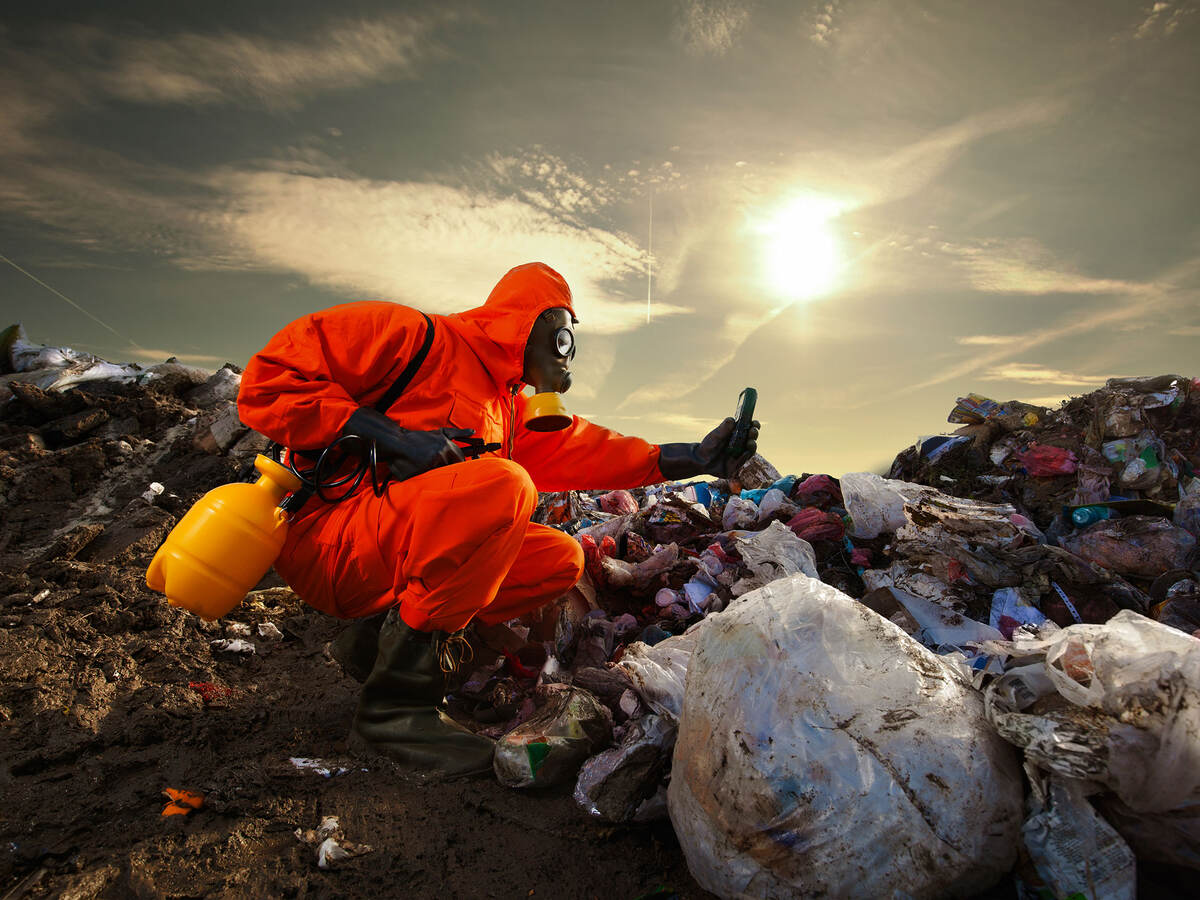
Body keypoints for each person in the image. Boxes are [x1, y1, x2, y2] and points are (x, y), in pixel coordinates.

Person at [237, 262, 759, 777]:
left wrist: (698, 455)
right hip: (329, 538)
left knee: (558, 559)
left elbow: (589, 449)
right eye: (564, 340)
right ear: (536, 326)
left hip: (386, 557)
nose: (567, 357)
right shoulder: (412, 337)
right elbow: (267, 382)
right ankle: (394, 712)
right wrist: (388, 436)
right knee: (507, 486)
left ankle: (376, 646)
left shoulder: (505, 408)